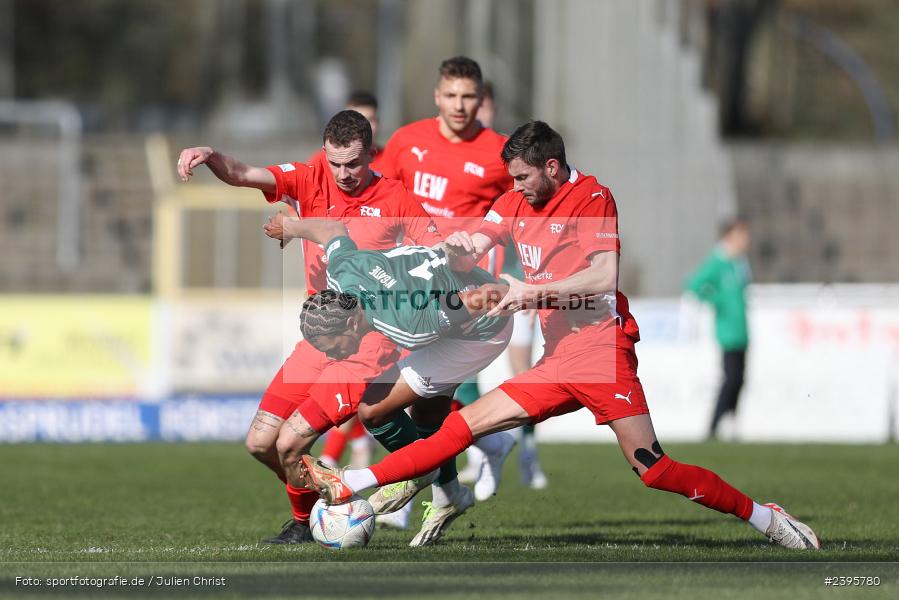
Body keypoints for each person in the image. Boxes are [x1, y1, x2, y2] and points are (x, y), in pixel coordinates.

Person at [298, 121, 820, 551]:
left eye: (523, 176)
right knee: (462, 430)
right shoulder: (515, 201)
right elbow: (480, 237)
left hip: (602, 353)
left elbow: (601, 277)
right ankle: (353, 485)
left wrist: (531, 291)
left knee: (655, 471)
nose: (516, 186)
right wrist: (459, 246)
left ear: (551, 167)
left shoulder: (592, 197)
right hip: (557, 360)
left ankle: (764, 518)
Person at [176, 110, 443, 545]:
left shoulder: (396, 199)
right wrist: (210, 155)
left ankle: (305, 524)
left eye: (353, 163)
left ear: (371, 155)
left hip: (368, 342)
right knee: (260, 443)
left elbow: (433, 257)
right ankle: (334, 492)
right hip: (320, 339)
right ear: (325, 153)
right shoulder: (309, 178)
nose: (343, 174)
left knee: (289, 444)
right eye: (335, 162)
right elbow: (244, 173)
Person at [262, 215, 514, 546]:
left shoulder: (410, 322)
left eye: (332, 347)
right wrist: (290, 227)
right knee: (427, 418)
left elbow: (490, 297)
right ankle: (449, 492)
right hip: (446, 312)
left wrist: (536, 293)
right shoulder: (345, 270)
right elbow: (332, 229)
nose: (333, 356)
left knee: (373, 410)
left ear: (352, 325)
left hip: (480, 334)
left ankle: (418, 472)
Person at [372, 57, 516, 521]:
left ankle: (416, 485)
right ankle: (482, 447)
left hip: (461, 299)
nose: (459, 105)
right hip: (408, 288)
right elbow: (378, 199)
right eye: (451, 95)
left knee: (407, 407)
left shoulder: (498, 151)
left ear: (482, 99)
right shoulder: (406, 141)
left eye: (468, 96)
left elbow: (540, 192)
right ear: (437, 95)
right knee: (411, 405)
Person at [685, 219, 751, 440]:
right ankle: (713, 426)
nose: (745, 240)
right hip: (727, 333)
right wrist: (718, 300)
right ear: (730, 236)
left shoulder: (739, 263)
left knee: (739, 380)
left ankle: (732, 424)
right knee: (730, 379)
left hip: (742, 331)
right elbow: (694, 285)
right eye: (741, 235)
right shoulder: (718, 262)